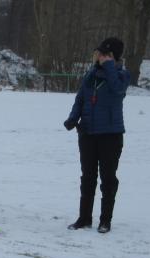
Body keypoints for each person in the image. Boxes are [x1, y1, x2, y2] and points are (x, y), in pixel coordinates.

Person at [64, 37, 129, 234]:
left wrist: (109, 66)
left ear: (112, 57)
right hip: (88, 134)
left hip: (110, 135)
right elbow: (80, 99)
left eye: (104, 54)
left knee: (108, 179)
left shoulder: (122, 75)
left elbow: (117, 90)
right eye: (99, 53)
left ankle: (105, 220)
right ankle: (84, 218)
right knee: (88, 178)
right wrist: (73, 118)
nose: (98, 57)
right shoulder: (90, 75)